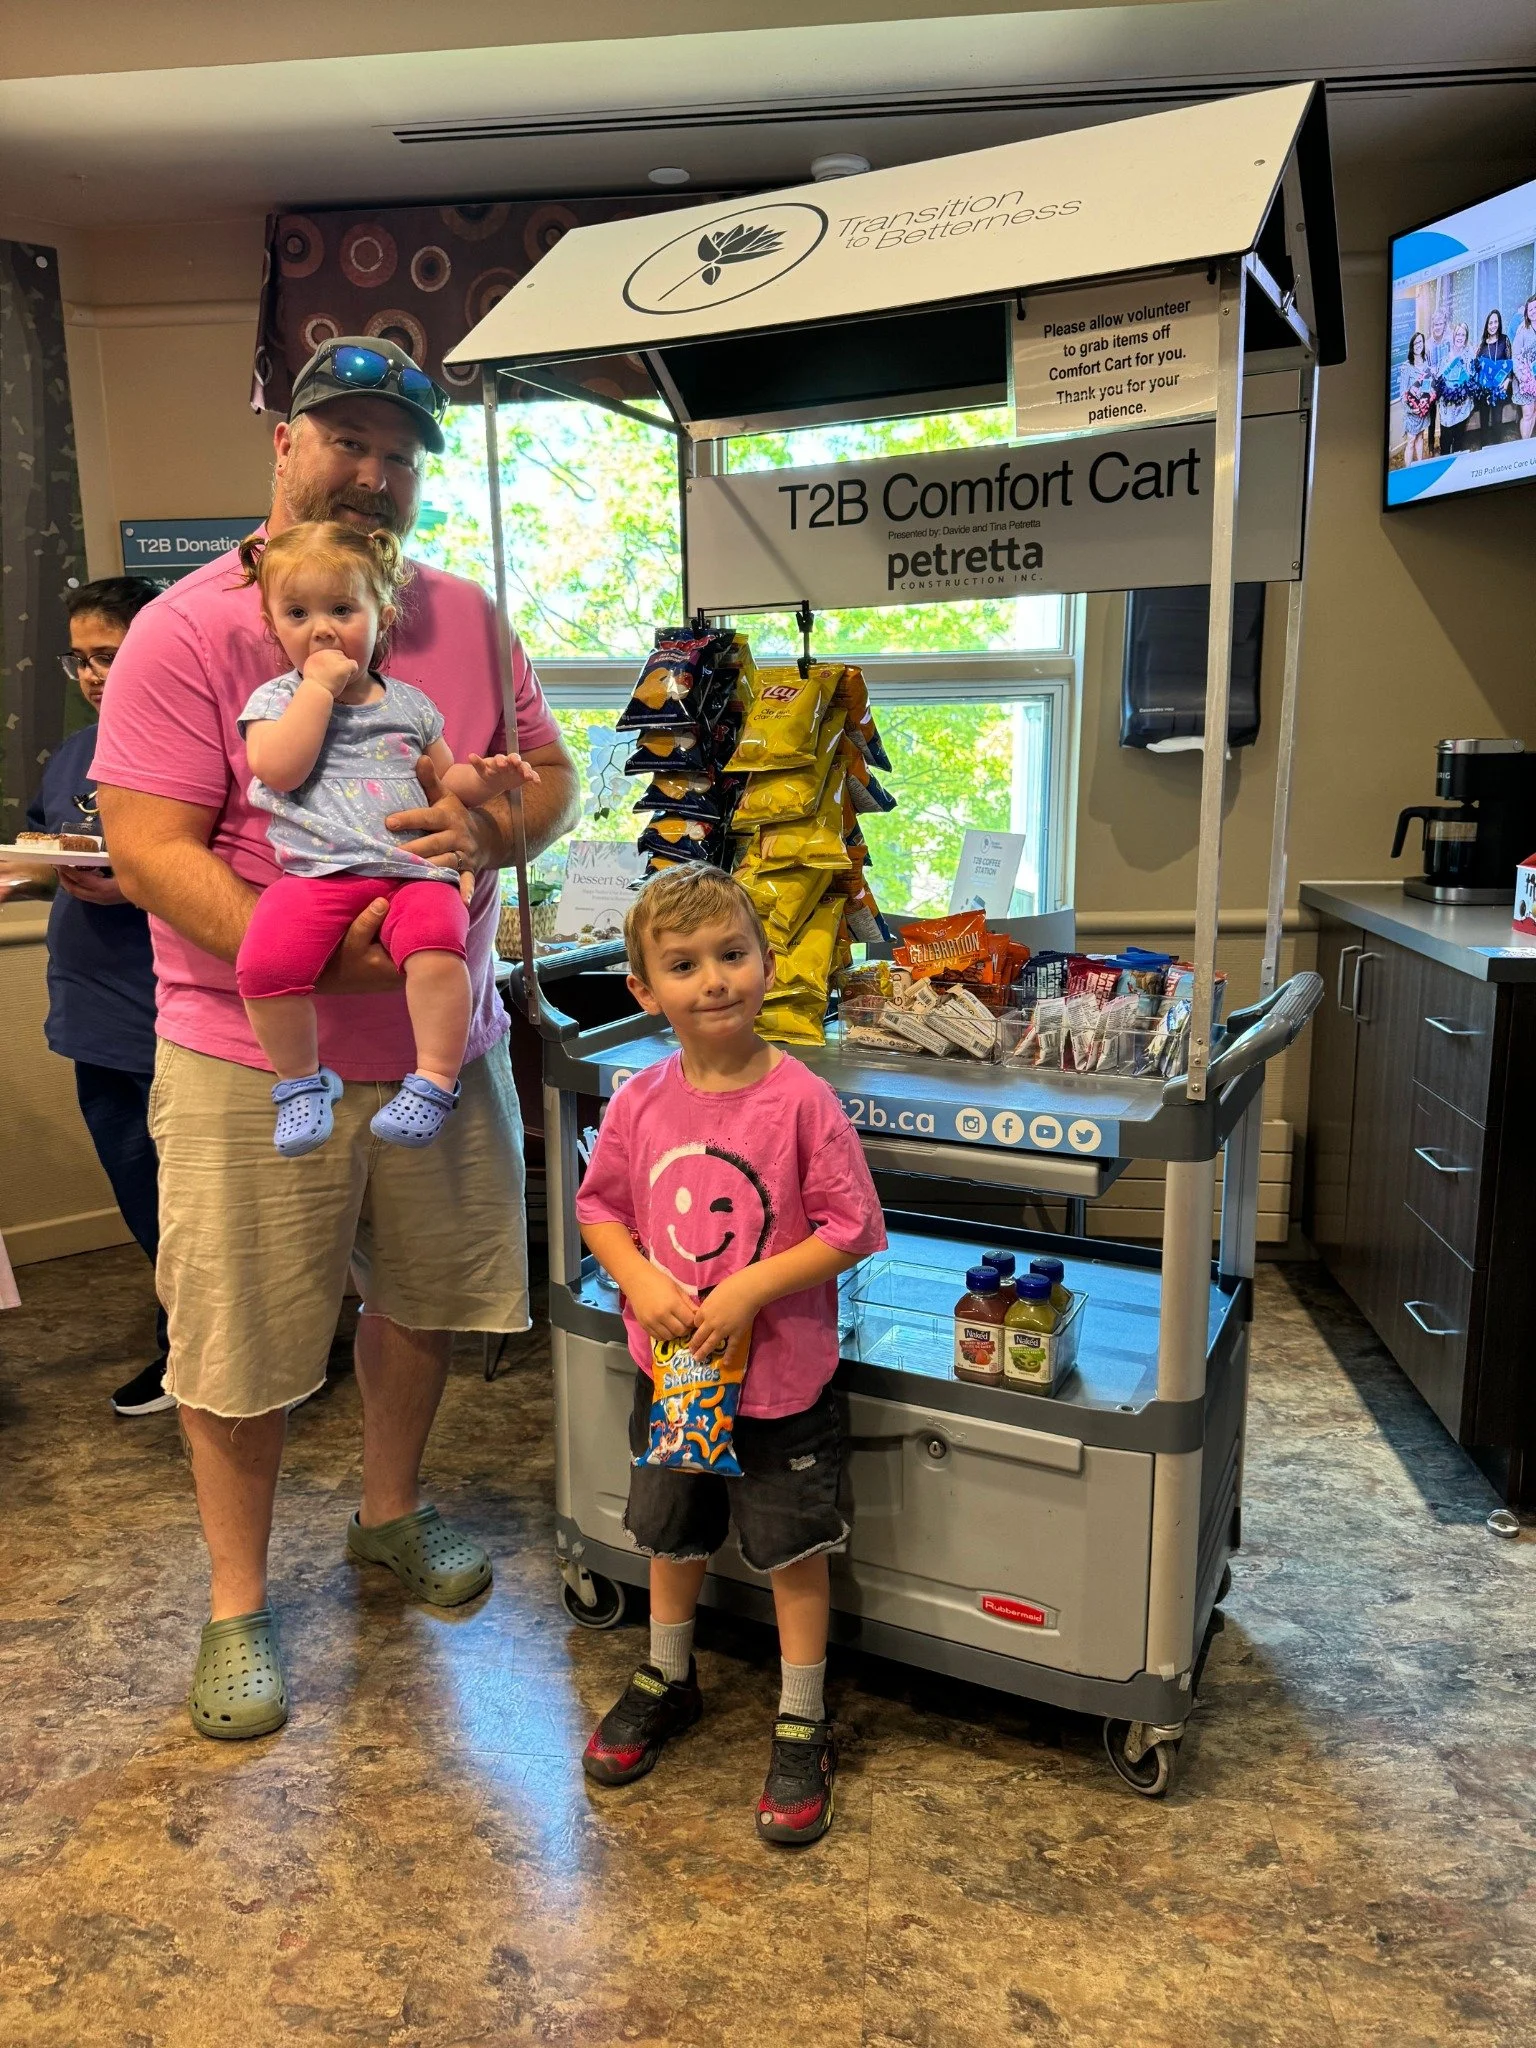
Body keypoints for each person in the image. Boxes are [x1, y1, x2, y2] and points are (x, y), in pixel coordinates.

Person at [92, 336, 579, 1742]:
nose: (374, 473)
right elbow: (149, 846)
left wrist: (497, 823)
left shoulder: (465, 616)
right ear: (285, 447)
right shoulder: (190, 629)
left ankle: (389, 1511)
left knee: (421, 1302)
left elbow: (549, 777)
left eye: (401, 453)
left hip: (442, 1048)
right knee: (239, 1337)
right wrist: (299, 944)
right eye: (348, 441)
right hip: (258, 1060)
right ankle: (238, 1602)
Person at [574, 865, 886, 1848]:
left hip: (783, 1387)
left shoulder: (802, 1103)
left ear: (768, 963)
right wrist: (640, 1281)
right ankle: (668, 1672)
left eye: (731, 954)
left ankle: (802, 1715)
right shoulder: (638, 1101)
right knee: (672, 1531)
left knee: (792, 1549)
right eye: (683, 965)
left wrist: (751, 1288)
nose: (713, 980)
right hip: (675, 1378)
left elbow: (853, 1227)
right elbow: (600, 1209)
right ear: (644, 989)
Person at [233, 521, 533, 1155]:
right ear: (272, 626)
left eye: (342, 610)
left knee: (439, 949)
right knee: (264, 967)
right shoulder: (275, 700)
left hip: (413, 871)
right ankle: (301, 1082)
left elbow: (443, 781)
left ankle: (435, 1080)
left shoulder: (411, 704)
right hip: (315, 874)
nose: (321, 629)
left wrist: (485, 779)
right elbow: (279, 768)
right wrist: (318, 690)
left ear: (382, 618)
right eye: (297, 613)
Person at [3, 577, 173, 1415]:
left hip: (167, 1014)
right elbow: (49, 843)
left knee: (194, 1205)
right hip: (90, 1011)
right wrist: (22, 875)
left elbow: (230, 877)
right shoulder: (76, 751)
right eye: (81, 659)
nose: (93, 675)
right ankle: (186, 1336)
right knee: (139, 1190)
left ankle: (214, 1352)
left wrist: (133, 885)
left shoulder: (199, 744)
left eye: (109, 653)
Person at [1473, 309, 1514, 445]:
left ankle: (1497, 447)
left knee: (1497, 420)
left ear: (1499, 323)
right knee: (1484, 420)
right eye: (1490, 323)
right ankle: (1484, 447)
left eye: (1496, 322)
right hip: (1484, 389)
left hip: (1500, 388)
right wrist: (1474, 356)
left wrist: (1508, 380)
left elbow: (1509, 362)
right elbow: (1477, 367)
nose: (1493, 325)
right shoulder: (1482, 345)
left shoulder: (1504, 340)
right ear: (1487, 325)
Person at [1435, 322, 1476, 455]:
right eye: (1458, 334)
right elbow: (1438, 377)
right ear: (1453, 336)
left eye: (1463, 335)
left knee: (1459, 438)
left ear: (1466, 337)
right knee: (1445, 440)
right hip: (1447, 406)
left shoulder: (1469, 355)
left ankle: (1457, 460)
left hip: (1462, 405)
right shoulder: (1445, 354)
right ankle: (1445, 461)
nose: (1460, 337)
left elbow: (1472, 376)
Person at [1398, 333, 1435, 465]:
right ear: (1412, 346)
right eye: (1416, 343)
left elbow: (1429, 386)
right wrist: (1411, 410)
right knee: (1411, 441)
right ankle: (1408, 471)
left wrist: (1429, 398)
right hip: (1412, 413)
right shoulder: (1407, 367)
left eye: (1420, 342)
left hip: (1424, 411)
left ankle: (1419, 465)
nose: (1418, 345)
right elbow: (1402, 393)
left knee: (1420, 438)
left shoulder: (1427, 364)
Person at [1426, 307, 1449, 453]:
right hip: (1432, 385)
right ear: (1432, 326)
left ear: (1444, 325)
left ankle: (1443, 444)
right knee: (1432, 416)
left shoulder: (1448, 341)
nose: (1438, 327)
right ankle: (1430, 446)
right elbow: (1425, 368)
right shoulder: (1427, 344)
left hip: (1445, 384)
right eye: (1436, 324)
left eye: (1440, 324)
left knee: (1444, 414)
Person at [1513, 294, 1536, 440]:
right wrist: (1522, 377)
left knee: (1534, 412)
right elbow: (1515, 357)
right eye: (1531, 309)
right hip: (1525, 381)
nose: (1533, 311)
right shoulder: (1522, 331)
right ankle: (1524, 443)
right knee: (1527, 414)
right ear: (1527, 313)